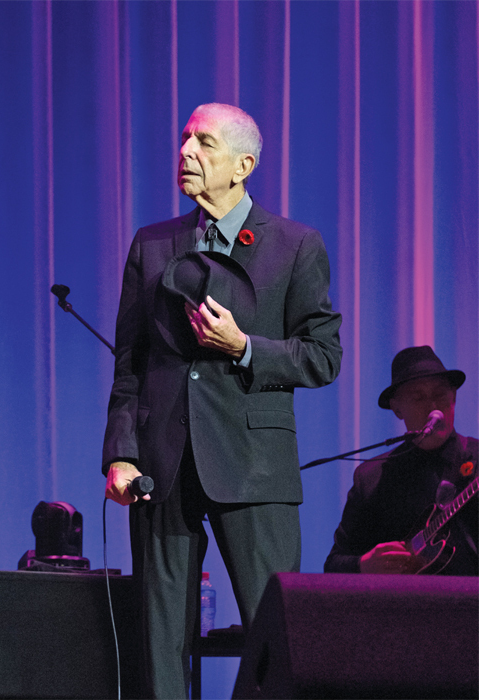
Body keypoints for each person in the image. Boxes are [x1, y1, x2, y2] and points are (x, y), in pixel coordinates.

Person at [103, 102, 343, 699]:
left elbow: (322, 356)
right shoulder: (152, 243)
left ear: (243, 165)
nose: (185, 152)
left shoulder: (294, 245)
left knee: (276, 636)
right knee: (160, 641)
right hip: (163, 464)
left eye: (203, 143)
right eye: (184, 139)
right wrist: (121, 454)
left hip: (255, 464)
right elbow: (129, 362)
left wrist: (244, 348)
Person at [324, 346, 478, 577]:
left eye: (440, 394)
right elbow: (334, 565)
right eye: (418, 397)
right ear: (397, 408)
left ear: (453, 397)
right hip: (401, 608)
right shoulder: (372, 477)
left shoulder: (475, 456)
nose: (433, 407)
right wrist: (363, 565)